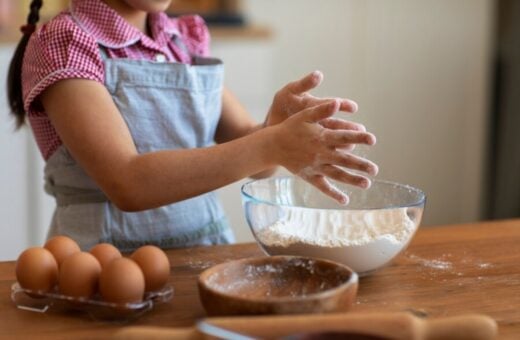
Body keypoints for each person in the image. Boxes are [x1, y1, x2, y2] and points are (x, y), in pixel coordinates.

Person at [7, 0, 378, 252]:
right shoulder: (66, 43)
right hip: (101, 271)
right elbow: (128, 183)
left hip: (202, 255)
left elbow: (260, 164)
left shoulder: (180, 40)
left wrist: (274, 128)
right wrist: (271, 143)